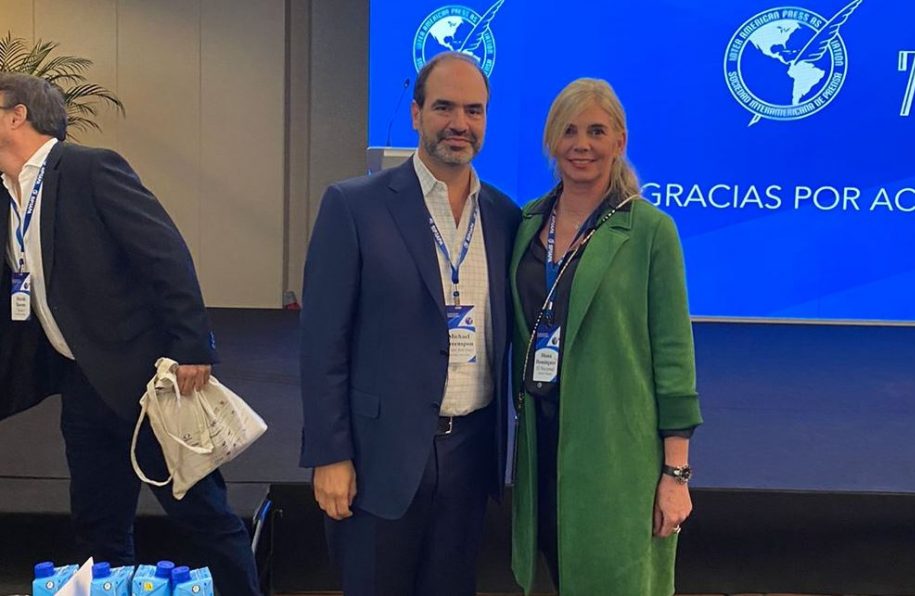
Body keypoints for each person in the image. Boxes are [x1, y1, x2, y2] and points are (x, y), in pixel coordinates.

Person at [0, 73, 260, 594]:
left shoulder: (88, 169)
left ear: (16, 115)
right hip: (79, 381)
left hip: (147, 382)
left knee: (204, 518)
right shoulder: (7, 193)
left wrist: (192, 343)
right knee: (98, 530)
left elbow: (164, 253)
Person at [300, 51, 520, 595]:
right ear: (417, 113)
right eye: (444, 107)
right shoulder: (353, 206)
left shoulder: (506, 217)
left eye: (474, 110)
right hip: (380, 459)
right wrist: (330, 454)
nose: (459, 124)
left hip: (471, 455)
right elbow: (322, 343)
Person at [509, 78, 703, 595]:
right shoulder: (527, 224)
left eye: (597, 131)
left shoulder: (649, 231)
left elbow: (674, 357)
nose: (582, 144)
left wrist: (676, 474)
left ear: (619, 141)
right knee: (552, 575)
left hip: (619, 455)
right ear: (551, 140)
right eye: (569, 131)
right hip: (541, 446)